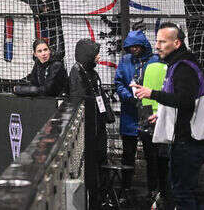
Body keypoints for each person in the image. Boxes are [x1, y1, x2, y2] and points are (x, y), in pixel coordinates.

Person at [132, 23, 204, 210]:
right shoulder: (176, 65)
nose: (157, 45)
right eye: (157, 41)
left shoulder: (183, 67)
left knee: (182, 194)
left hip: (188, 142)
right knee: (181, 192)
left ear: (176, 43)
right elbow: (182, 102)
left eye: (162, 41)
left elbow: (185, 101)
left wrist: (153, 94)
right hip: (185, 141)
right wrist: (162, 114)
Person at [69, 37, 115, 207]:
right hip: (88, 130)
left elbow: (100, 97)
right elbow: (80, 101)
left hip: (98, 127)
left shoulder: (93, 73)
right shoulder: (77, 72)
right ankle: (92, 198)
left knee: (101, 160)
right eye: (95, 54)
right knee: (89, 166)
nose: (98, 57)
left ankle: (102, 196)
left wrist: (106, 115)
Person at [114, 30, 161, 198]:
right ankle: (125, 188)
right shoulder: (125, 61)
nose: (133, 49)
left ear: (143, 45)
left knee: (152, 154)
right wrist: (128, 97)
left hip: (148, 112)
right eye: (130, 46)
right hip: (130, 112)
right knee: (128, 154)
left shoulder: (155, 61)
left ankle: (153, 189)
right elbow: (118, 82)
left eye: (136, 46)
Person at [139, 52, 172, 210]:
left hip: (146, 116)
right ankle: (164, 193)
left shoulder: (148, 67)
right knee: (164, 160)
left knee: (150, 159)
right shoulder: (169, 69)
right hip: (162, 117)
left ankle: (152, 191)